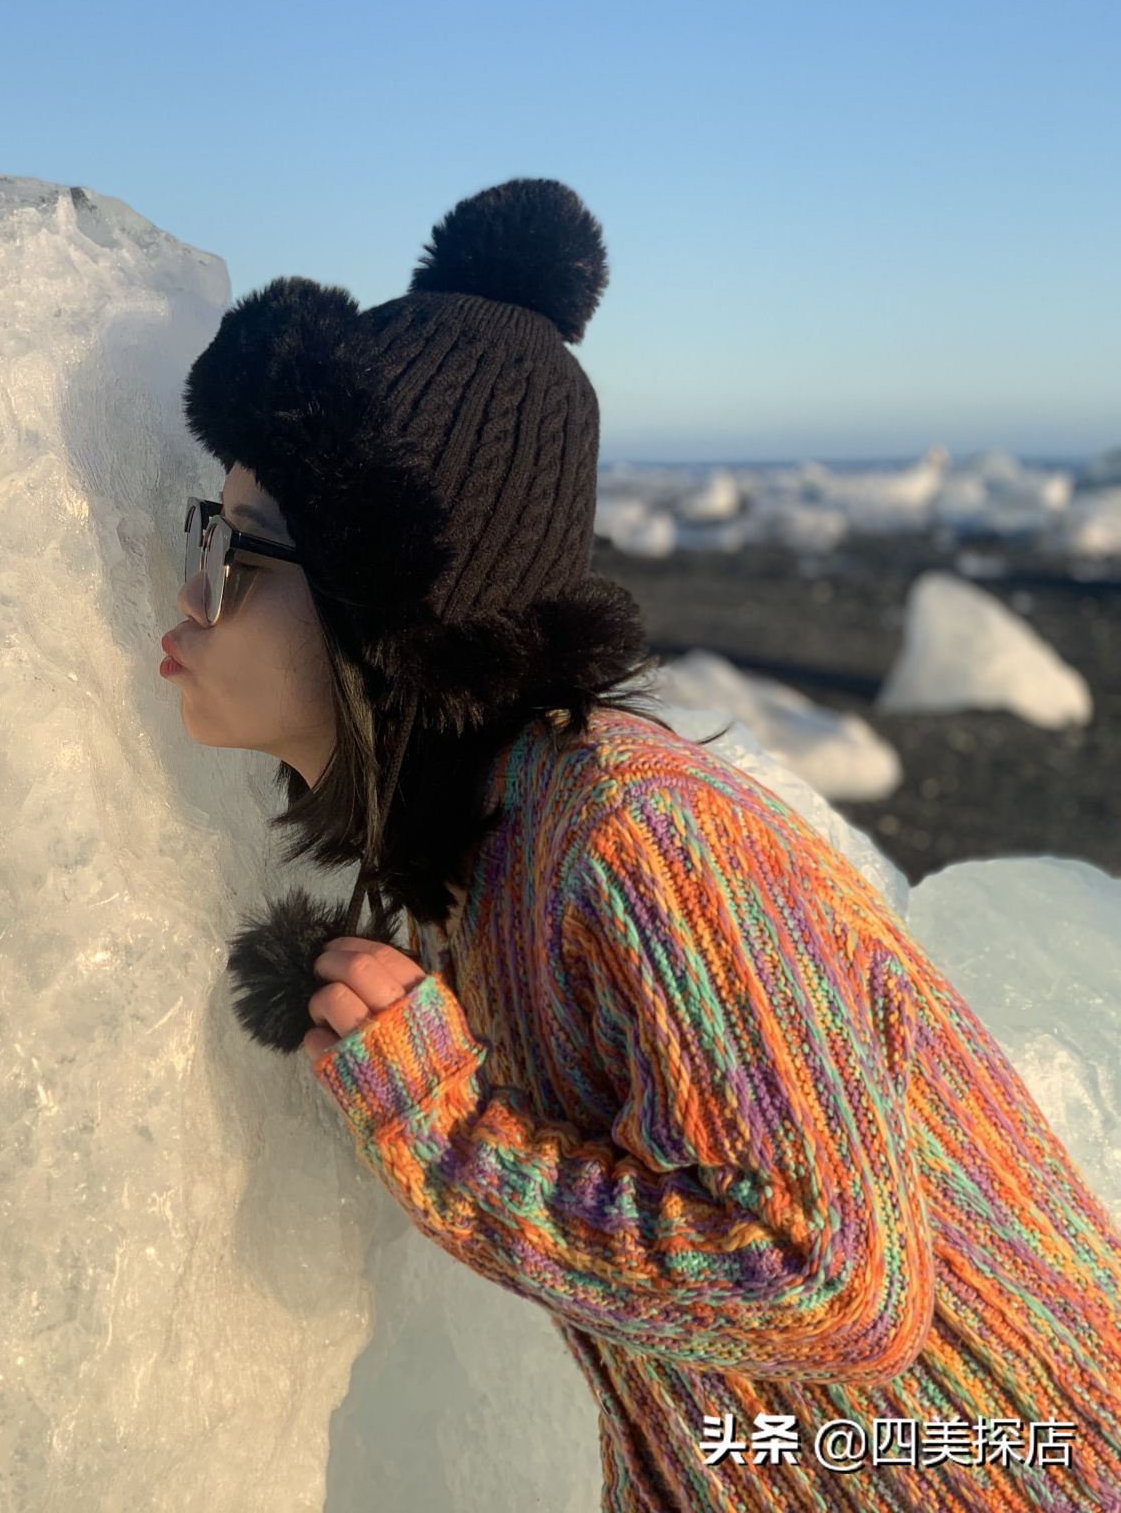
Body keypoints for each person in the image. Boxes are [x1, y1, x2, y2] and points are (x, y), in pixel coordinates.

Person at [163, 176, 1121, 1510]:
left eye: (231, 551)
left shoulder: (632, 833)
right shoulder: (497, 859)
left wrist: (451, 1142)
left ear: (386, 606)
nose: (186, 597)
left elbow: (827, 1277)